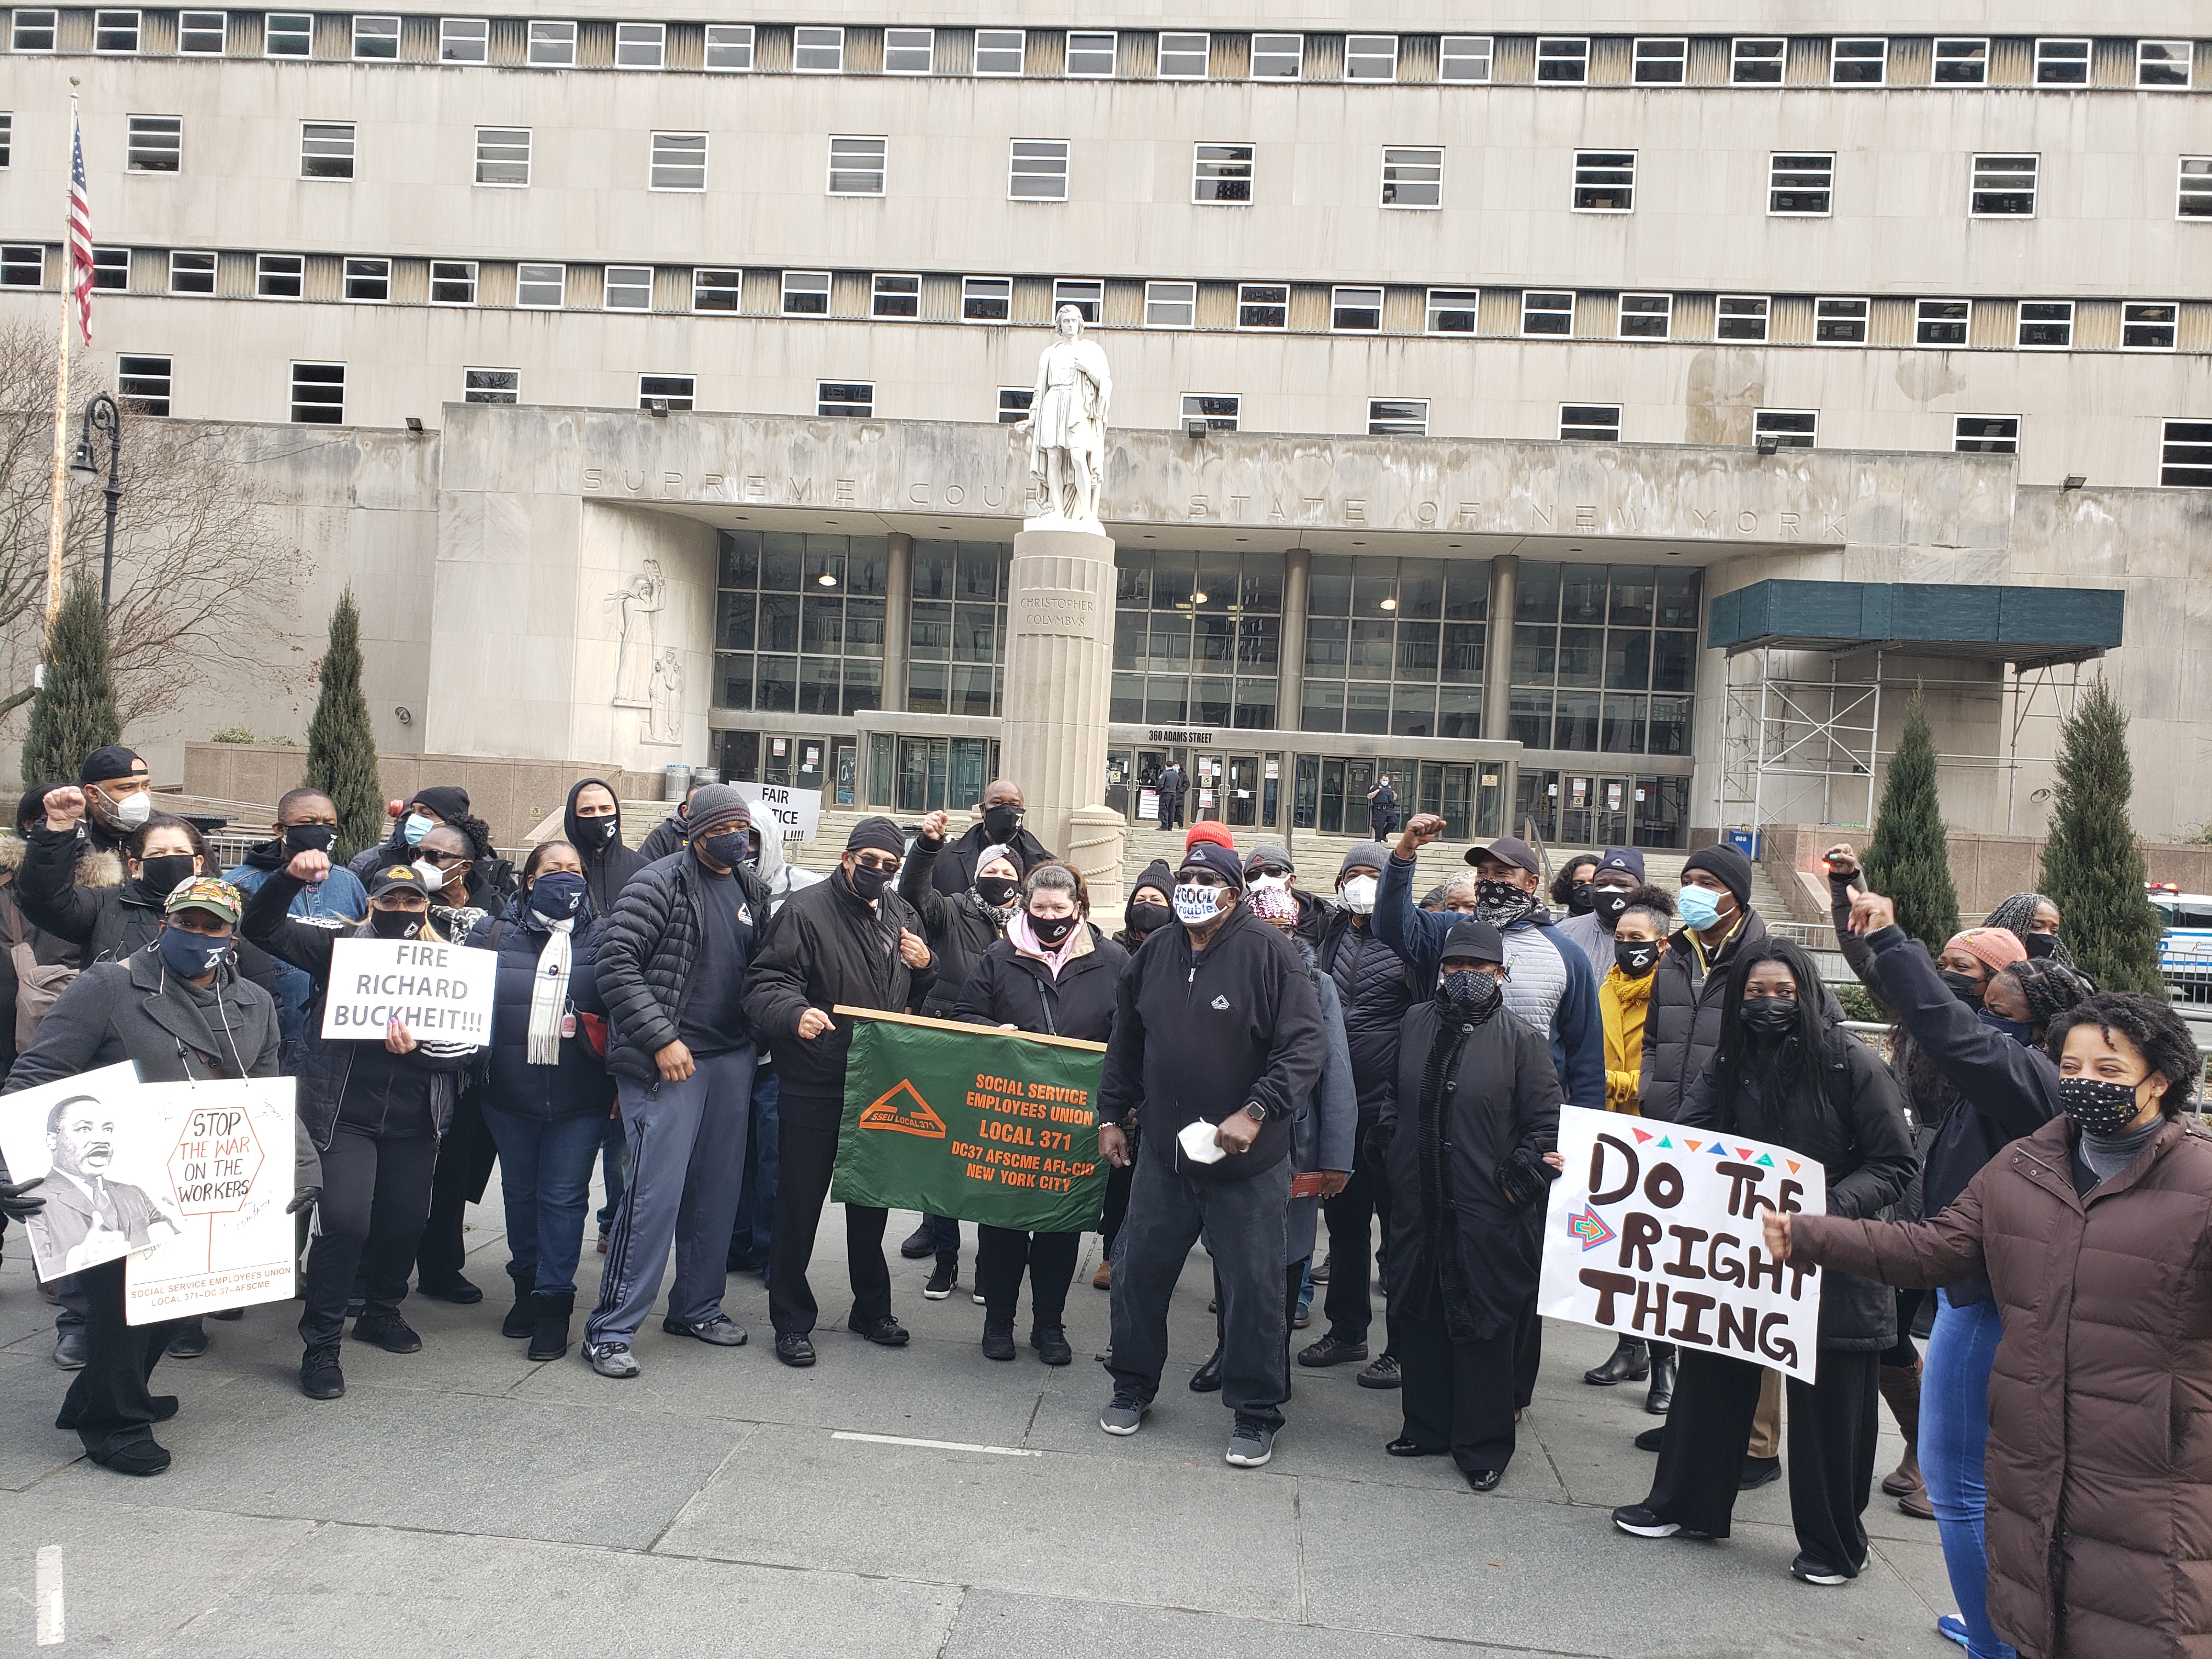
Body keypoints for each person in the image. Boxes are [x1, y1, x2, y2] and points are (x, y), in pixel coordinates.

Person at [1762, 989, 2205, 1658]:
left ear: (2161, 1081)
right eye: (2072, 1067)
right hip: (2035, 1454)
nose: (2085, 1084)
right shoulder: (2026, 1165)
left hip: (2150, 1468)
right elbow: (1933, 1249)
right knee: (2034, 1612)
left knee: (2139, 1623)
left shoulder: (2200, 1181)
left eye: (2109, 1070)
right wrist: (1810, 1235)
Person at [1827, 853, 2092, 1657]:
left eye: (1994, 998)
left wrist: (1894, 937)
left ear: (2033, 1015)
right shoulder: (2022, 1068)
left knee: (1960, 1483)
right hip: (1987, 1281)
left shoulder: (2026, 1076)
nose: (1976, 1005)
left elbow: (1944, 1025)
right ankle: (2003, 1621)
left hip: (1986, 1296)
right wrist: (1861, 918)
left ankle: (1993, 1639)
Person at [1612, 938, 1917, 1588]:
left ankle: (1836, 1544)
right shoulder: (1728, 1061)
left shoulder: (1855, 1065)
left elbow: (1894, 1164)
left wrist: (1821, 1215)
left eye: (1783, 993)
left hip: (1836, 1264)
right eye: (1755, 993)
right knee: (1710, 1381)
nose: (1769, 1005)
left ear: (1807, 994)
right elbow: (1685, 1144)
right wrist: (1602, 1169)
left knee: (1831, 1412)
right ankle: (1684, 1505)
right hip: (1741, 1263)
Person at [2, 876, 312, 1474]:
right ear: (165, 923)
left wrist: (301, 1167)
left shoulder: (254, 1002)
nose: (198, 935)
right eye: (186, 923)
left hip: (205, 1178)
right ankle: (113, 1424)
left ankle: (98, 1395)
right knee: (123, 1310)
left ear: (233, 936)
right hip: (118, 1175)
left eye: (213, 926)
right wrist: (10, 1164)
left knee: (177, 1303)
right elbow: (37, 1072)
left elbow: (270, 1096)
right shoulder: (107, 986)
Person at [1095, 840, 1325, 1469]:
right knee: (1137, 1274)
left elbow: (1305, 1046)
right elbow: (1126, 1041)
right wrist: (1111, 1115)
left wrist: (1257, 1110)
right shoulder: (1155, 955)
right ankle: (1132, 1385)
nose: (1194, 887)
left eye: (1207, 878)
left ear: (1234, 892)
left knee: (1253, 1291)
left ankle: (1256, 1412)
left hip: (1246, 1164)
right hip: (1164, 1160)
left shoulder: (1270, 954)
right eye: (1187, 876)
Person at [1376, 820, 1604, 1409]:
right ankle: (1429, 1388)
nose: (1490, 881)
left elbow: (1584, 1058)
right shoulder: (1449, 933)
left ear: (1531, 882)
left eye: (1503, 873)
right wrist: (1404, 854)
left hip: (1523, 1142)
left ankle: (1509, 1393)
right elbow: (1392, 925)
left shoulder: (1568, 956)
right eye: (1482, 873)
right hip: (1440, 1137)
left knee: (1512, 1276)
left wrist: (1576, 1149)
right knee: (1431, 1266)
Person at [244, 851, 478, 1400]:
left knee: (405, 1223)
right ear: (371, 903)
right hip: (344, 1117)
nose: (402, 909)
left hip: (415, 1120)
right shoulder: (337, 948)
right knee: (346, 1223)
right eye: (390, 900)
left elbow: (469, 1048)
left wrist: (420, 1050)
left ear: (426, 906)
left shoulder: (451, 961)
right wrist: (287, 880)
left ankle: (382, 1311)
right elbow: (262, 928)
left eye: (412, 900)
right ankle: (322, 1344)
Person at [580, 786, 769, 1378]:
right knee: (652, 1199)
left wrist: (755, 1041)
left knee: (716, 1195)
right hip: (670, 1063)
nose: (737, 837)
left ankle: (697, 1308)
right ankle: (610, 1331)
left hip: (730, 1060)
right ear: (697, 832)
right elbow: (616, 965)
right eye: (725, 828)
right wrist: (662, 1038)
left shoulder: (752, 889)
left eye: (743, 827)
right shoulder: (657, 882)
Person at [1379, 918, 1565, 1490]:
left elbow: (1547, 1128)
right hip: (1420, 1203)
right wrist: (1391, 1151)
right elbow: (1391, 1096)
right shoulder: (1414, 1022)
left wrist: (1512, 1185)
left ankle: (1483, 1446)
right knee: (1421, 1314)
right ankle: (1425, 1426)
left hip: (1489, 1212)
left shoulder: (1522, 1040)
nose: (1466, 975)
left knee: (1485, 1325)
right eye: (1456, 965)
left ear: (1500, 973)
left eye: (1478, 966)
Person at [744, 816, 935, 1367]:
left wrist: (927, 966)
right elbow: (765, 984)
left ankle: (871, 1310)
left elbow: (917, 987)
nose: (878, 871)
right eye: (869, 860)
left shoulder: (901, 913)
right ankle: (791, 1320)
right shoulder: (804, 912)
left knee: (871, 1201)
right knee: (798, 1204)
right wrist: (794, 1013)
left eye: (890, 865)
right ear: (847, 858)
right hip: (816, 1079)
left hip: (877, 1082)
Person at [951, 861, 1128, 1364]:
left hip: (1074, 1119)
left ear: (1078, 907)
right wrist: (996, 1033)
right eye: (1040, 907)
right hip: (1010, 1115)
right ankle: (998, 1323)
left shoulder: (1112, 960)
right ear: (1026, 906)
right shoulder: (1000, 956)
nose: (1049, 916)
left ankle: (1049, 1325)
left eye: (1059, 907)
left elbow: (1129, 1033)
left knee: (1060, 1226)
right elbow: (965, 1015)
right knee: (1002, 1223)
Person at [1192, 879, 1353, 1391]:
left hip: (1293, 1144)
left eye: (1285, 929)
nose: (1276, 938)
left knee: (1284, 1257)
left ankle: (1270, 1361)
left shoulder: (1317, 984)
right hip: (1226, 1139)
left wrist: (1336, 1158)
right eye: (1266, 928)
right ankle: (1227, 1351)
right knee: (1228, 1250)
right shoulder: (1218, 973)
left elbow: (1335, 1071)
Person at [465, 839, 612, 1362]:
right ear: (530, 880)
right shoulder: (492, 935)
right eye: (554, 869)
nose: (566, 876)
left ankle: (554, 1303)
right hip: (508, 1093)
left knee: (564, 1198)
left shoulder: (608, 937)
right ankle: (525, 1287)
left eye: (575, 870)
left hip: (581, 1096)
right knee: (520, 1194)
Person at [1302, 841, 1416, 1389]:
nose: (1363, 884)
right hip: (1342, 1109)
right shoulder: (1329, 934)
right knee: (1346, 1230)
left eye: (1375, 874)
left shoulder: (1408, 940)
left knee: (1400, 1235)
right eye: (1355, 874)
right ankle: (1347, 1330)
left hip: (1392, 1111)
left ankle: (1402, 1347)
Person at [897, 808, 1020, 1297]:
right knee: (945, 1154)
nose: (1000, 877)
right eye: (992, 869)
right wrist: (928, 847)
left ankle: (988, 1266)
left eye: (1008, 871)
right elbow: (914, 892)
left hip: (1001, 1050)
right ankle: (945, 1258)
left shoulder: (1027, 926)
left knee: (990, 1154)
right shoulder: (951, 909)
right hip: (949, 1043)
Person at [1583, 884, 1680, 1406]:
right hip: (1609, 1135)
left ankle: (1665, 1362)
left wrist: (1609, 1083)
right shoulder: (1604, 987)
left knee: (1657, 1255)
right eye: (1620, 937)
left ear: (1662, 944)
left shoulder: (1676, 997)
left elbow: (1667, 1075)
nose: (1626, 945)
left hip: (1658, 1136)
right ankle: (1629, 1346)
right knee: (1621, 1251)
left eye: (1636, 938)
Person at [226, 788, 369, 1069]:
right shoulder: (238, 884)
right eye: (308, 823)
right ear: (281, 830)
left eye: (329, 824)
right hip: (266, 1033)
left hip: (331, 1041)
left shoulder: (349, 883)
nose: (320, 830)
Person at [1095, 858, 1174, 1290]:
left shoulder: (1179, 953)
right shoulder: (1114, 954)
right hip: (1126, 1082)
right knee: (1120, 1178)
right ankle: (1112, 1254)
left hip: (1162, 1086)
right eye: (1141, 898)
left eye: (1157, 899)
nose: (1147, 906)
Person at [928, 778, 1054, 899]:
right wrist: (927, 845)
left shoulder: (1047, 866)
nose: (1006, 810)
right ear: (983, 810)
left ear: (1022, 812)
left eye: (1014, 804)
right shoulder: (944, 859)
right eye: (997, 803)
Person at [1553, 847, 1646, 977]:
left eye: (1622, 885)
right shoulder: (1562, 932)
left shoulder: (1652, 939)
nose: (1611, 890)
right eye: (1602, 885)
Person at [562, 777, 645, 919]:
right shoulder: (559, 870)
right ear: (573, 817)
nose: (598, 816)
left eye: (605, 809)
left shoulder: (642, 869)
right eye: (587, 810)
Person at [72, 745, 153, 857]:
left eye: (145, 786)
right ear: (93, 793)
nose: (141, 796)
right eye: (127, 788)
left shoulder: (165, 830)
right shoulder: (68, 835)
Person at [1978, 891, 2073, 967]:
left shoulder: (2058, 978)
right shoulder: (1978, 968)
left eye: (2054, 931)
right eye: (2037, 927)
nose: (2047, 935)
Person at [635, 782, 696, 865]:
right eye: (699, 807)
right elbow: (645, 868)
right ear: (685, 811)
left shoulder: (714, 837)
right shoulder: (662, 836)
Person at [1548, 853, 1602, 919]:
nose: (1588, 888)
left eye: (1594, 882)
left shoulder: (1614, 925)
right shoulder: (1561, 926)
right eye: (1578, 884)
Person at [1154, 762, 1186, 832]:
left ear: (1166, 766)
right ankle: (1170, 827)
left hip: (1165, 794)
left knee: (1164, 810)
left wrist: (1158, 791)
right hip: (1173, 795)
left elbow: (1160, 784)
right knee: (1172, 810)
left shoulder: (1165, 774)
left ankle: (1164, 826)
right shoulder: (1177, 775)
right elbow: (1178, 786)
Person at [1367, 774, 1400, 840]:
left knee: (1393, 822)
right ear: (1380, 780)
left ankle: (1384, 834)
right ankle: (1378, 841)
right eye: (1384, 780)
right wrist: (1378, 791)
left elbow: (1395, 798)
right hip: (1379, 809)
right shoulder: (1376, 786)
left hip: (1389, 808)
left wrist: (1393, 793)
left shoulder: (1390, 787)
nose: (1385, 782)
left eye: (1386, 780)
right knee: (1379, 826)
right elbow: (1369, 796)